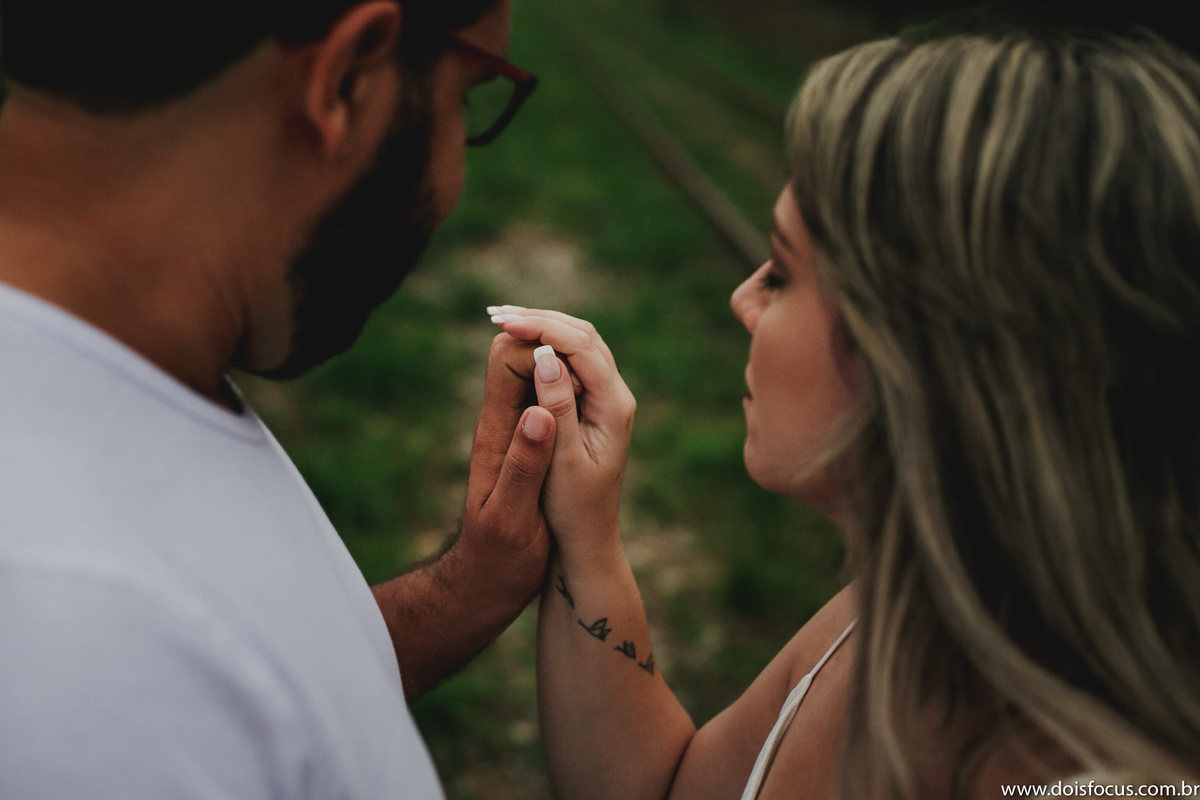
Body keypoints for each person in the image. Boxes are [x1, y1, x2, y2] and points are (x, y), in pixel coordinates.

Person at [488, 15, 1200, 800]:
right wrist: (585, 527)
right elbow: (667, 790)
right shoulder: (892, 616)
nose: (741, 298)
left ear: (928, 350)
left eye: (783, 275)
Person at [0, 1, 559, 796]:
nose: (452, 180)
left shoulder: (128, 353)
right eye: (463, 99)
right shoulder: (80, 654)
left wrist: (471, 585)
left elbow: (243, 696)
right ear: (347, 79)